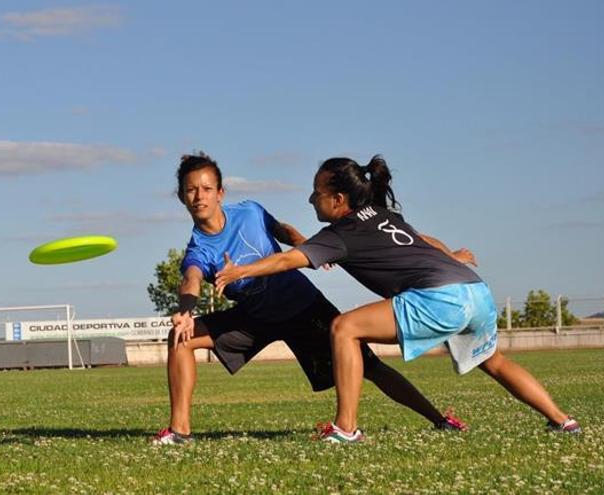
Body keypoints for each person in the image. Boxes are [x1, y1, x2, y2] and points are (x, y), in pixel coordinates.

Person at [215, 155, 580, 443]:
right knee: (495, 362)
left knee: (343, 328)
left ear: (338, 200)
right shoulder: (383, 215)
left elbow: (285, 259)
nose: (311, 198)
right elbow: (424, 241)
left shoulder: (339, 234)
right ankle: (563, 421)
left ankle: (346, 428)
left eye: (317, 192)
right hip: (474, 289)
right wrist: (452, 256)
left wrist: (240, 272)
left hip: (441, 297)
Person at [152, 152, 467, 445]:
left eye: (206, 188)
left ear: (220, 193)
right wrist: (185, 311)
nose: (199, 196)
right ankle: (180, 431)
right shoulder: (199, 248)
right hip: (255, 318)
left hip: (302, 306)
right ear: (182, 197)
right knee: (181, 337)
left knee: (371, 366)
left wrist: (307, 245)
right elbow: (190, 279)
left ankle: (440, 420)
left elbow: (280, 230)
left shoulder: (249, 211)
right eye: (191, 190)